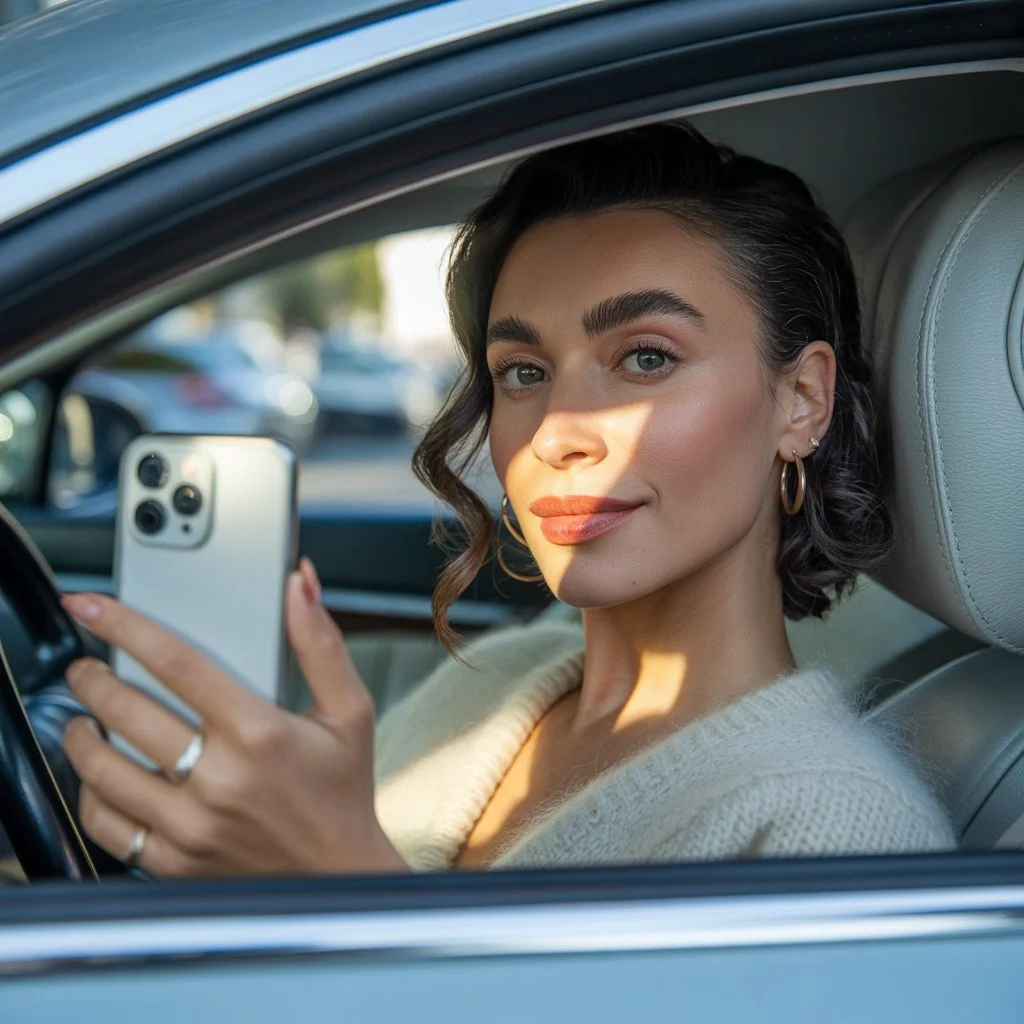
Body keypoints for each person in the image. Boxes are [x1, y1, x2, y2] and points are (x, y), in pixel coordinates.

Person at [60, 123, 954, 876]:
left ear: (801, 401)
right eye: (522, 372)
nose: (556, 428)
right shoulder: (499, 684)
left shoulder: (838, 829)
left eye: (647, 357)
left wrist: (344, 880)